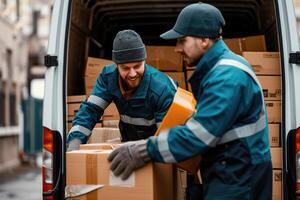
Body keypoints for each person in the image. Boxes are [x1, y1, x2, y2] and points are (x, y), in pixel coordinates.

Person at [107, 3, 272, 199]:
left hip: (240, 177)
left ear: (204, 40)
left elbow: (199, 135)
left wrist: (143, 150)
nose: (177, 49)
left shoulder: (227, 77)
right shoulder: (222, 69)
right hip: (232, 170)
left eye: (182, 41)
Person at [67, 29, 177, 151]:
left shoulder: (162, 89)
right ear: (116, 65)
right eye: (125, 68)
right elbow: (90, 110)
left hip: (155, 153)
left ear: (144, 61)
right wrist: (75, 141)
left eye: (137, 66)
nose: (132, 73)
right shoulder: (108, 78)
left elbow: (167, 140)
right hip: (127, 146)